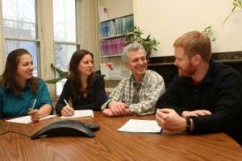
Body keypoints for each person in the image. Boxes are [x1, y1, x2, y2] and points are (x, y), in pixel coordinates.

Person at [156, 31, 242, 145]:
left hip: (225, 146)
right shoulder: (182, 77)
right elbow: (162, 103)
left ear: (196, 59)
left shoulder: (229, 78)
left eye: (179, 59)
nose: (175, 63)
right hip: (192, 144)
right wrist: (184, 113)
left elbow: (226, 118)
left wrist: (186, 124)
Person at [101, 42, 166, 117]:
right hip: (127, 124)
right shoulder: (125, 81)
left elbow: (150, 105)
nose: (141, 63)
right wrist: (112, 104)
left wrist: (124, 111)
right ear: (127, 65)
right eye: (135, 60)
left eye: (143, 58)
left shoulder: (156, 79)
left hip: (151, 124)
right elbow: (110, 100)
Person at [0, 48, 53, 122]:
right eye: (26, 64)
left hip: (36, 128)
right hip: (10, 130)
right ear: (13, 68)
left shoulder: (39, 84)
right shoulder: (2, 88)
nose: (31, 67)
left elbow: (47, 105)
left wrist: (39, 114)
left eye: (31, 63)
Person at [55, 49, 106, 116]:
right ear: (76, 65)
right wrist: (62, 110)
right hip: (78, 120)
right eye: (86, 62)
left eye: (91, 62)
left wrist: (74, 108)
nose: (90, 65)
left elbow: (100, 104)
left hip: (98, 118)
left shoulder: (98, 79)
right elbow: (59, 105)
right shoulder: (70, 81)